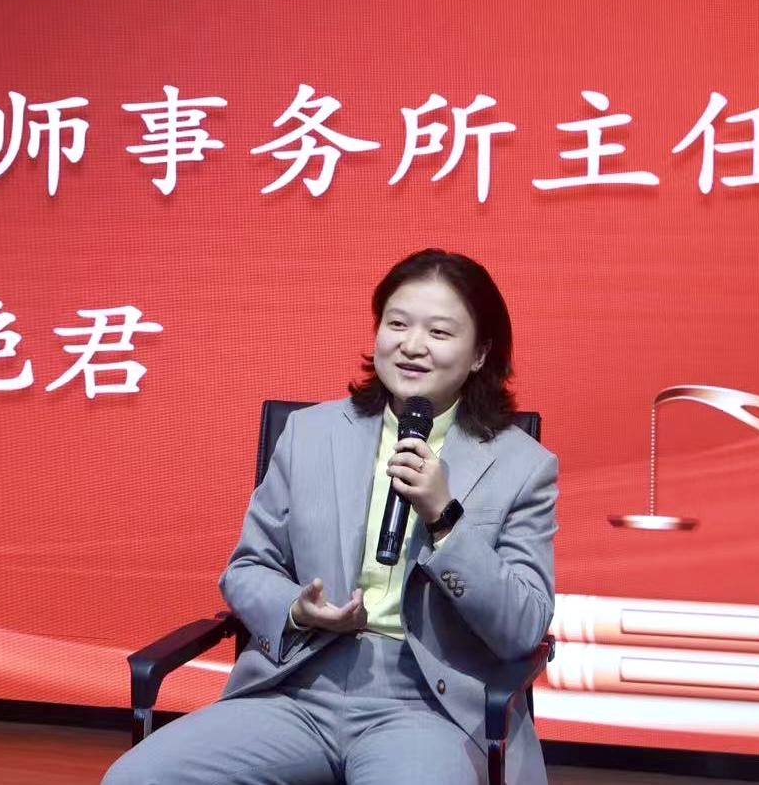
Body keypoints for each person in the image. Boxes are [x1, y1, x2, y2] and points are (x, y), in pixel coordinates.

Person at [102, 249, 558, 785]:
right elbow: (247, 569)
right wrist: (297, 610)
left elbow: (523, 628)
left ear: (479, 354)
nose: (412, 345)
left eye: (439, 332)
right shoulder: (312, 434)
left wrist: (445, 519)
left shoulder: (521, 465)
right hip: (298, 686)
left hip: (428, 708)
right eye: (397, 324)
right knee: (136, 778)